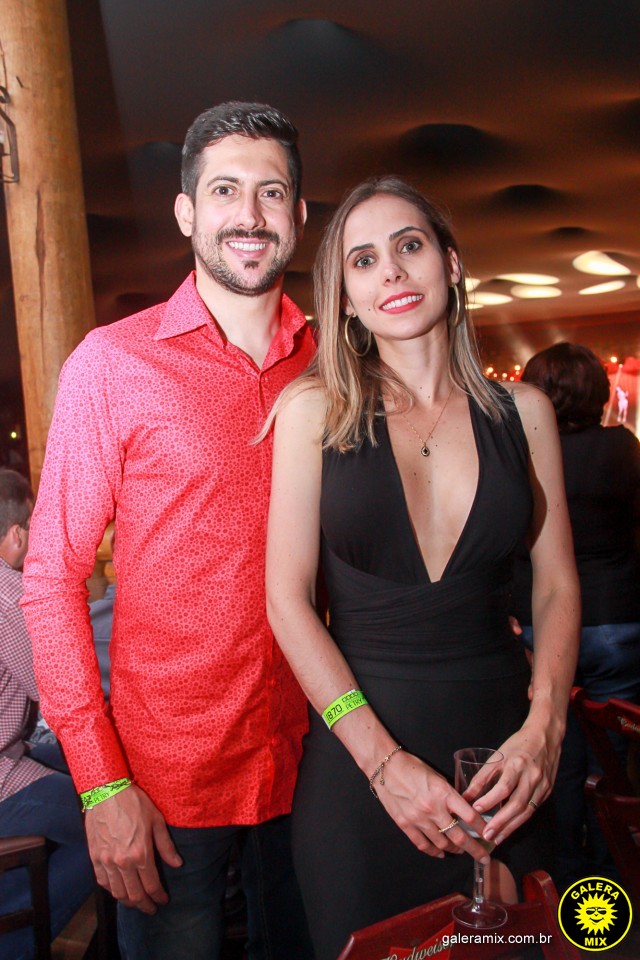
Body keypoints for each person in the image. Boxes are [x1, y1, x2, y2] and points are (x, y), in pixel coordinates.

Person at [21, 102, 315, 960]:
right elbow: (50, 578)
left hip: (315, 760)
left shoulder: (333, 361)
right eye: (225, 190)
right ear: (186, 212)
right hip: (166, 783)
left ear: (299, 215)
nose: (249, 214)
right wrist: (99, 782)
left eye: (271, 192)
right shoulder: (113, 362)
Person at [264, 176, 580, 960]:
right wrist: (382, 765)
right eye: (363, 260)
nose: (393, 272)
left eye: (409, 246)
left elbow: (556, 584)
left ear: (452, 262)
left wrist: (546, 727)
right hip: (361, 762)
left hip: (508, 764)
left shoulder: (525, 414)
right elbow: (286, 601)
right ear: (345, 298)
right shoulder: (313, 412)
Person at [511, 341, 640, 888]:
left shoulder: (523, 454)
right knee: (612, 760)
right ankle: (613, 876)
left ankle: (564, 879)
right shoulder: (621, 447)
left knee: (554, 754)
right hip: (616, 617)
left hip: (542, 618)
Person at [0, 468, 94, 960]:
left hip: (11, 754)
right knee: (107, 823)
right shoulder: (7, 593)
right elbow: (53, 691)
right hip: (2, 776)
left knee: (68, 768)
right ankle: (16, 945)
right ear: (17, 535)